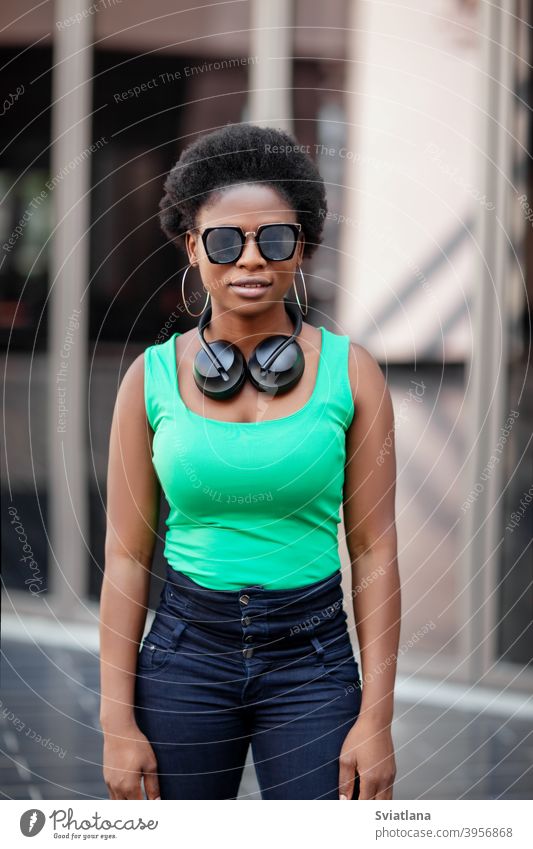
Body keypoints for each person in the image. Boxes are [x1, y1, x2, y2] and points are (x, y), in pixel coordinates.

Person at [99, 123, 401, 801]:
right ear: (191, 246)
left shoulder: (354, 375)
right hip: (184, 653)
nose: (250, 260)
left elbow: (374, 550)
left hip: (314, 660)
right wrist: (116, 722)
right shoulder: (146, 381)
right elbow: (124, 557)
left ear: (304, 248)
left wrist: (375, 718)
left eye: (274, 238)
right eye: (225, 240)